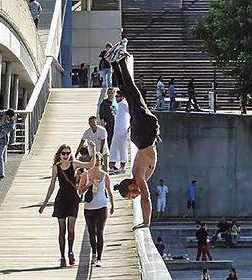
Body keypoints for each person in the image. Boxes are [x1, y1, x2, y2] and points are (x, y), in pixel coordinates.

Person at [104, 38, 161, 230]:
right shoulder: (137, 176)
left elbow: (146, 198)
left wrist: (146, 222)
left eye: (131, 195)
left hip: (144, 134)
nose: (134, 196)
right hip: (143, 135)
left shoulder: (138, 177)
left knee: (133, 93)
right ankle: (115, 61)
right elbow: (143, 197)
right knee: (130, 94)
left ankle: (118, 60)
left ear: (130, 187)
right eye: (132, 197)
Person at [39, 141, 96, 267]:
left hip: (73, 199)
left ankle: (70, 252)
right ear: (59, 155)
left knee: (71, 228)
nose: (65, 155)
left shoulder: (74, 164)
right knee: (62, 230)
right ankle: (62, 256)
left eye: (68, 153)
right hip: (61, 199)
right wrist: (45, 203)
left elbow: (90, 164)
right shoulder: (56, 167)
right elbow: (52, 185)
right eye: (63, 153)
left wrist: (93, 148)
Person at [78, 153, 114, 267]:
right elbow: (80, 191)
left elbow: (109, 191)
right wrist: (89, 184)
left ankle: (99, 258)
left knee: (100, 232)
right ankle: (94, 253)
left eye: (99, 160)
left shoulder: (105, 175)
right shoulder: (86, 175)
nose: (97, 161)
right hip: (89, 207)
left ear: (102, 162)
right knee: (91, 232)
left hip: (102, 207)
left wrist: (112, 205)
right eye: (95, 159)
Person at [109, 91, 130, 174]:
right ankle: (112, 166)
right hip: (116, 130)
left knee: (122, 148)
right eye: (116, 96)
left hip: (123, 130)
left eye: (118, 96)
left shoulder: (125, 104)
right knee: (113, 147)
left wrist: (129, 126)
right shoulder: (117, 105)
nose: (116, 98)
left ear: (122, 97)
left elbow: (131, 114)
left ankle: (122, 166)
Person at [0, 108, 16, 181]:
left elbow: (3, 133)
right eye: (7, 116)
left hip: (2, 140)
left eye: (10, 117)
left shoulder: (12, 124)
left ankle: (1, 173)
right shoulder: (4, 114)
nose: (8, 118)